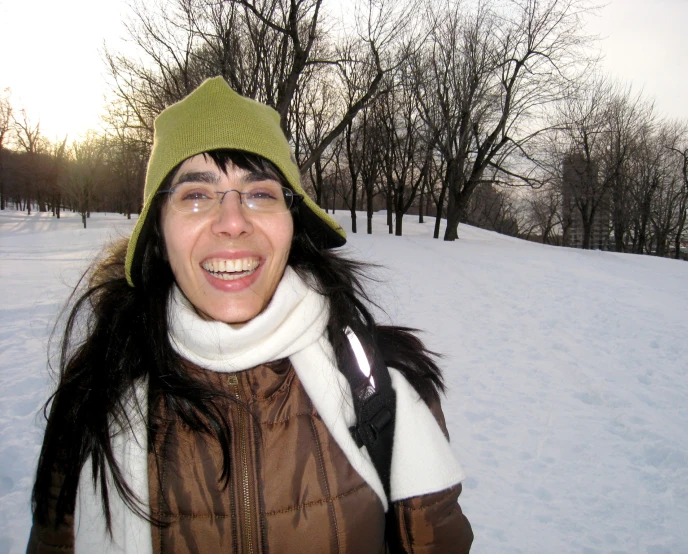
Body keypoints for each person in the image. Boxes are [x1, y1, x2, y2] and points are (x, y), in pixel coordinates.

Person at [27, 77, 473, 553]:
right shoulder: (95, 392)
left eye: (260, 193)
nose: (233, 221)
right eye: (196, 195)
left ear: (291, 222)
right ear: (158, 230)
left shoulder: (384, 386)